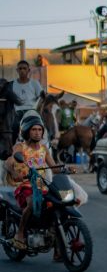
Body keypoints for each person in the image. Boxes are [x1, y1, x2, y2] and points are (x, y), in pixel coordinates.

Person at [5, 114, 71, 249]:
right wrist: (14, 172)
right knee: (31, 203)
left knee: (60, 204)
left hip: (42, 186)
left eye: (40, 130)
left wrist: (65, 168)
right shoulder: (20, 147)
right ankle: (20, 233)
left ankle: (58, 245)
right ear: (27, 131)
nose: (37, 132)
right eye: (33, 129)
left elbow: (54, 168)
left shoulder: (44, 149)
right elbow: (8, 162)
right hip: (25, 186)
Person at [11, 60, 43, 142]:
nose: (22, 70)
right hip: (17, 113)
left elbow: (42, 97)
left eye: (24, 68)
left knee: (42, 127)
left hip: (32, 112)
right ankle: (13, 147)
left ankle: (49, 145)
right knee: (13, 128)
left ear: (28, 70)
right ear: (17, 70)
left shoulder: (35, 83)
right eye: (20, 68)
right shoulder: (12, 84)